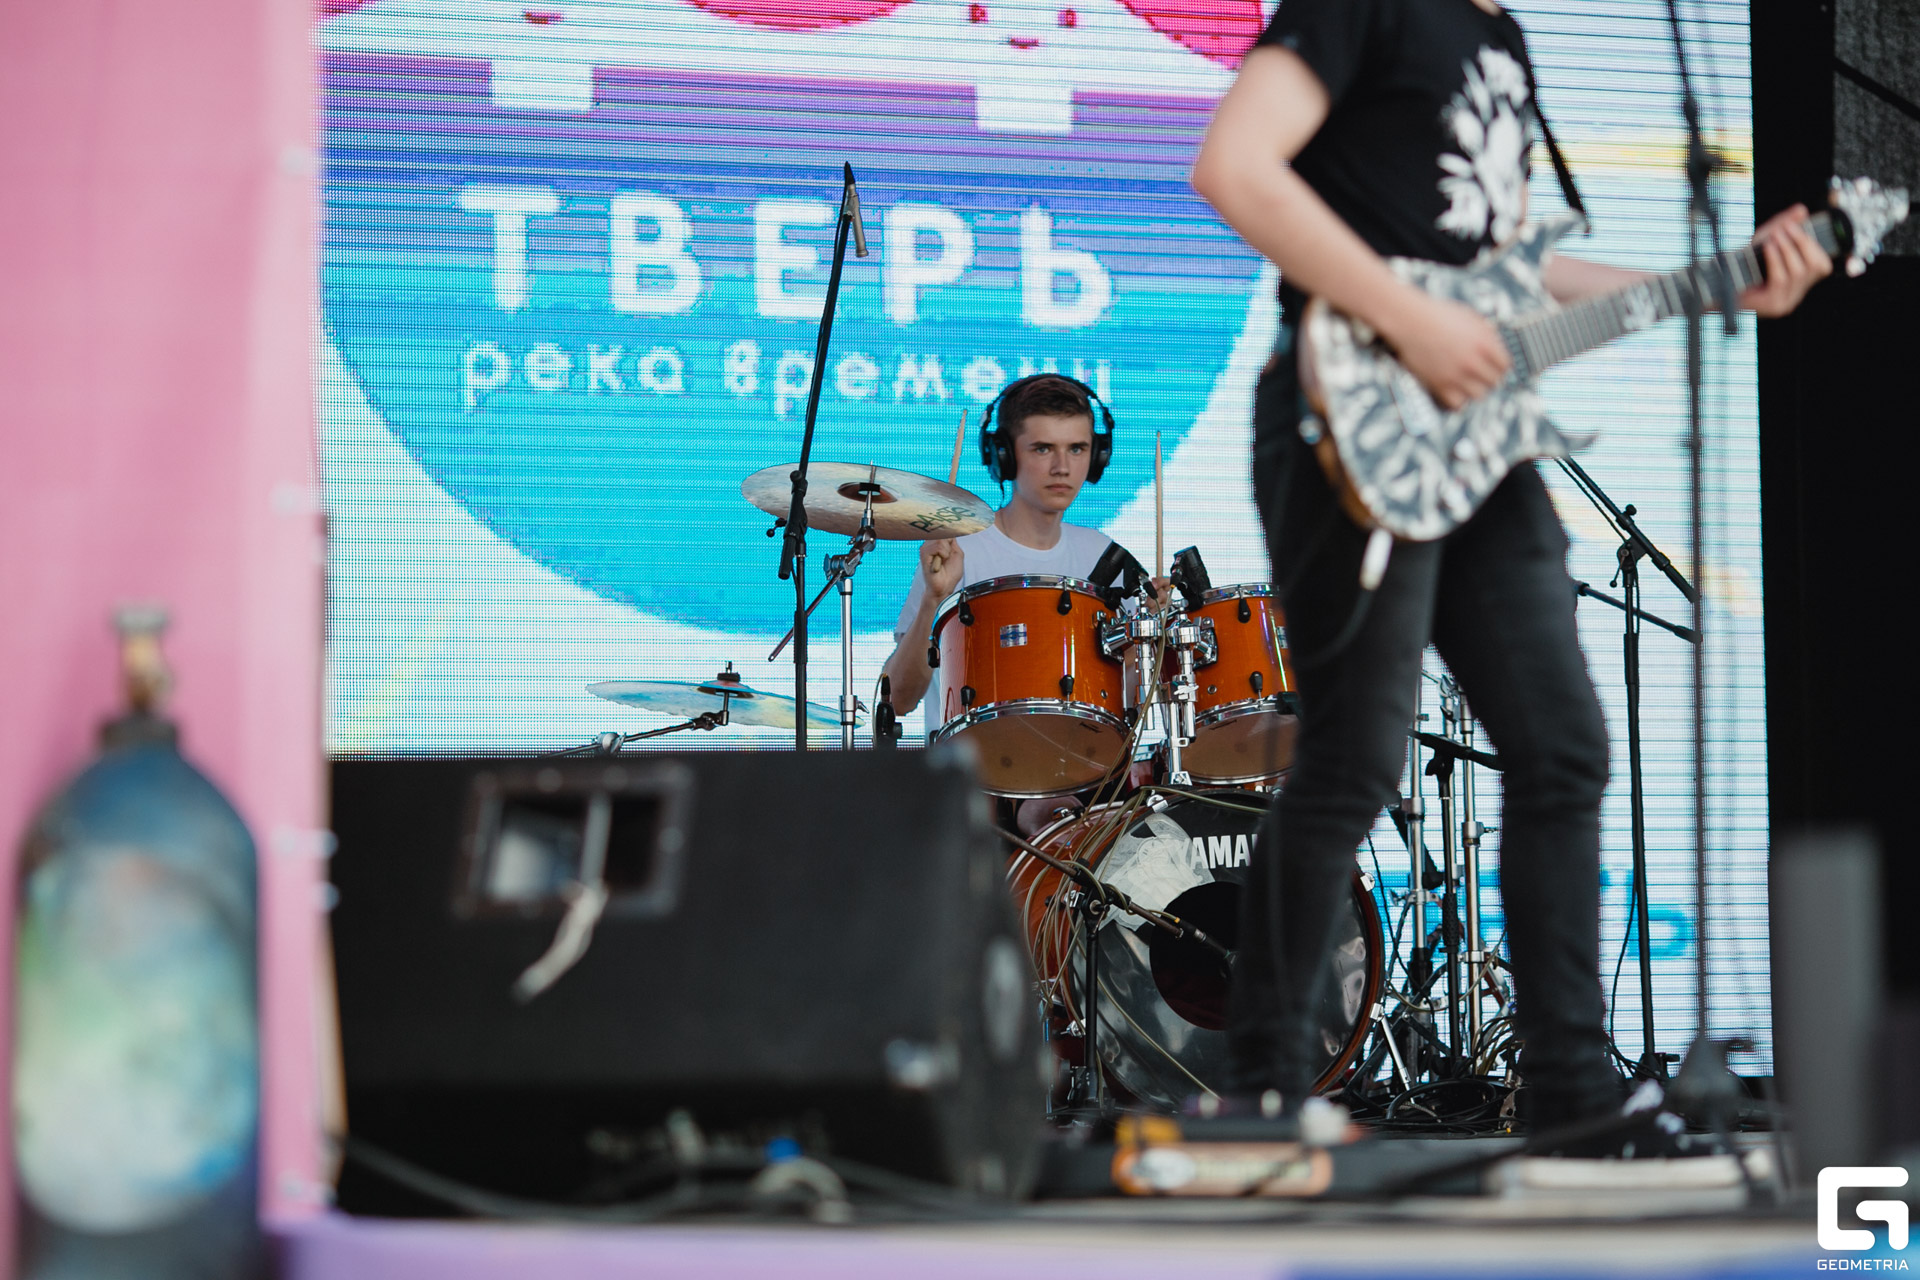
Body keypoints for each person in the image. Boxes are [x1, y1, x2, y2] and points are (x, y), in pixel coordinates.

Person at [1189, 0, 1830, 1145]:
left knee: (1562, 744)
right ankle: (1262, 1088)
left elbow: (1504, 273)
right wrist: (1409, 316)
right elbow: (1235, 167)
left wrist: (1719, 282)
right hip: (1349, 413)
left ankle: (1572, 1093)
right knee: (1354, 757)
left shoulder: (1504, 37)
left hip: (1481, 441)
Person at [881, 372, 1144, 722]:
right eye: (1043, 448)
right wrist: (933, 599)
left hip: (1081, 755)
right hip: (969, 757)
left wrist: (1152, 642)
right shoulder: (957, 550)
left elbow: (1127, 705)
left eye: (1077, 449)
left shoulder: (1106, 556)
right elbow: (898, 701)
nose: (1062, 468)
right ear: (1004, 456)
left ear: (1097, 457)